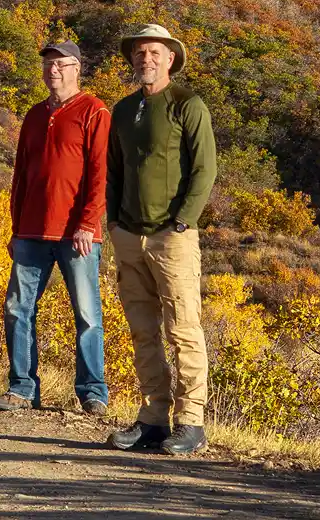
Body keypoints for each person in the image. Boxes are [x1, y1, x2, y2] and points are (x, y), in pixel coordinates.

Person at [106, 24, 216, 456]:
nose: (145, 59)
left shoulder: (187, 104)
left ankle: (191, 422)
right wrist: (113, 222)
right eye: (138, 53)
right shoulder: (123, 109)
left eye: (153, 52)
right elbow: (113, 171)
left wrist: (184, 222)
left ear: (170, 57)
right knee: (142, 331)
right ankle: (153, 417)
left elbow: (204, 170)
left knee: (184, 329)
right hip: (129, 236)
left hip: (173, 237)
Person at [0, 41, 111, 415]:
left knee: (87, 314)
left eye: (61, 65)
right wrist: (15, 228)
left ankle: (92, 392)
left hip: (77, 234)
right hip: (31, 231)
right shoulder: (33, 115)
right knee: (17, 308)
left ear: (77, 68)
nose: (53, 71)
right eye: (48, 65)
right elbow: (21, 177)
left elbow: (100, 173)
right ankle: (22, 388)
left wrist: (88, 223)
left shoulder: (94, 111)